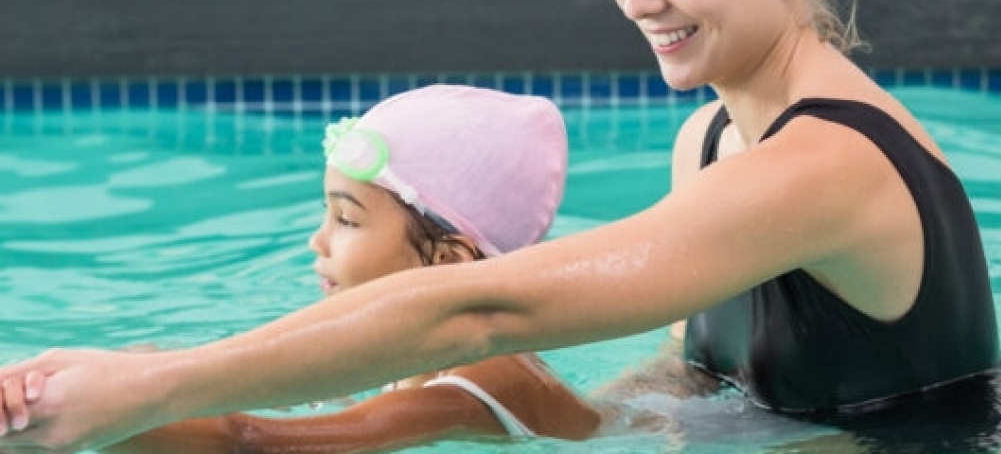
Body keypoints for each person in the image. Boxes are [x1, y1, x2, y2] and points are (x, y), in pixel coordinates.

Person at [0, 0, 1001, 450]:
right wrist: (534, 414)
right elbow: (696, 381)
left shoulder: (828, 165)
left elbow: (491, 301)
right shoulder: (711, 138)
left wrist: (159, 386)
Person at [5, 84, 605, 453]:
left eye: (346, 220)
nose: (315, 241)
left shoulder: (483, 383)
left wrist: (101, 417)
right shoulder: (409, 356)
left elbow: (261, 445)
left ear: (446, 264)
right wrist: (124, 372)